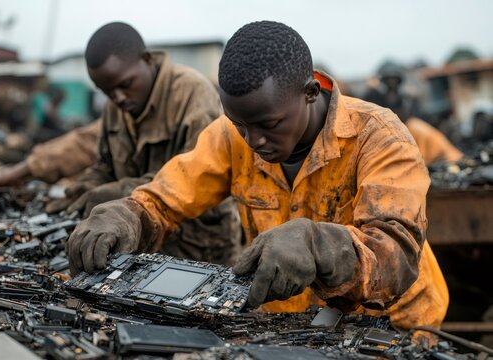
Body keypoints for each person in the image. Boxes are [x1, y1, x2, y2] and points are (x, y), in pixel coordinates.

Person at [67, 21, 448, 331]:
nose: (253, 141)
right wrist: (127, 215)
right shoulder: (233, 135)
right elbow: (165, 198)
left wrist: (317, 244)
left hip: (391, 325)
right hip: (293, 325)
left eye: (268, 124)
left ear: (310, 93)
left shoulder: (380, 137)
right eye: (240, 124)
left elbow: (394, 256)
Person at [53, 22, 240, 265]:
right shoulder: (115, 106)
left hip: (200, 246)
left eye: (125, 85)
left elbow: (192, 178)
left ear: (148, 59)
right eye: (107, 91)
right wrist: (87, 188)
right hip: (138, 237)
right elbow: (106, 166)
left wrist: (117, 192)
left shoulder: (192, 94)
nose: (117, 97)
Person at [363, 62, 463, 165]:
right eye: (388, 80)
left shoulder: (408, 107)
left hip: (412, 135)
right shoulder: (375, 97)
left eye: (394, 79)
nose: (391, 83)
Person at [0, 119, 101, 186]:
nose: (118, 96)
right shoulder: (111, 112)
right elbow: (83, 144)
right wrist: (22, 170)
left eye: (119, 86)